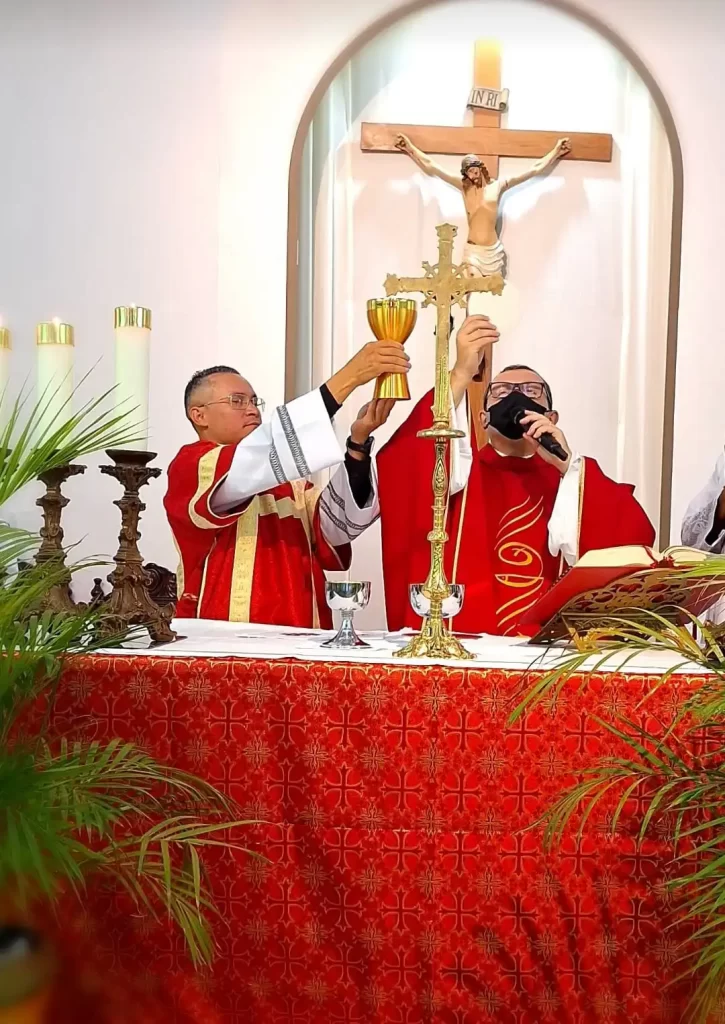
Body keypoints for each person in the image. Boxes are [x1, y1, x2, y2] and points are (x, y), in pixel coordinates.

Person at [377, 315, 656, 636]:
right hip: (466, 638)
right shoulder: (456, 474)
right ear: (482, 418)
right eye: (501, 391)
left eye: (530, 390)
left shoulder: (574, 482)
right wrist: (460, 374)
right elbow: (401, 466)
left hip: (550, 652)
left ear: (551, 416)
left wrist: (570, 467)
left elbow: (633, 544)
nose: (515, 396)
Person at [164, 342, 407, 626]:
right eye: (237, 401)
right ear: (199, 415)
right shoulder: (193, 467)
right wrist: (349, 377)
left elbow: (338, 527)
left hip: (303, 629)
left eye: (254, 401)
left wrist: (357, 444)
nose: (252, 410)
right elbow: (253, 460)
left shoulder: (291, 486)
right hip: (226, 635)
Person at [394, 133, 571, 279]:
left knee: (491, 302)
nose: (473, 174)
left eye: (475, 168)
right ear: (466, 174)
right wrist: (409, 148)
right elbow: (433, 167)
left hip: (493, 252)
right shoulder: (464, 188)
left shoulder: (498, 187)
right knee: (472, 295)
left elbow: (533, 170)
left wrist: (555, 152)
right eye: (469, 171)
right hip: (473, 253)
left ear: (480, 167)